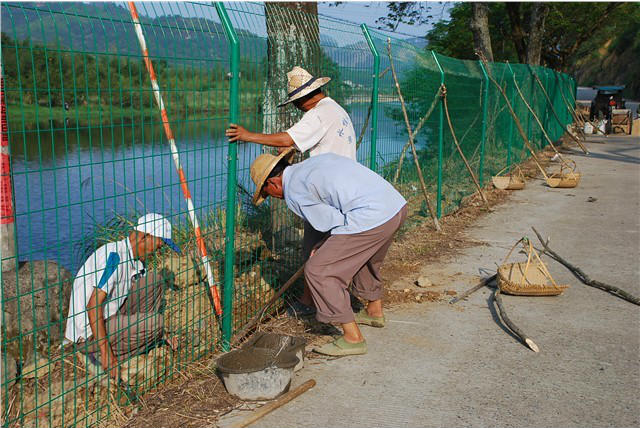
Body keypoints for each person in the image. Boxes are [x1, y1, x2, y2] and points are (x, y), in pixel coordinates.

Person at [249, 148, 407, 356]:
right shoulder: (311, 164)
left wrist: (323, 246)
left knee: (319, 271)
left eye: (268, 193)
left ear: (273, 183)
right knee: (364, 257)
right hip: (395, 206)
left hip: (370, 216)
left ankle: (352, 338)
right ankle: (374, 311)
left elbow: (334, 223)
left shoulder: (294, 190)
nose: (275, 198)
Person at [226, 66, 357, 317]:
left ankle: (317, 303)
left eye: (296, 102)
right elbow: (311, 142)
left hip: (327, 192)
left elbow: (287, 139)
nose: (297, 108)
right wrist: (295, 148)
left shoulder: (318, 114)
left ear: (304, 98)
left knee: (315, 249)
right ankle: (320, 298)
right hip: (344, 186)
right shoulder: (335, 109)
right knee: (329, 246)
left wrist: (247, 136)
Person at [64, 213, 181, 379]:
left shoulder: (136, 261)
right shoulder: (114, 257)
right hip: (88, 333)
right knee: (156, 322)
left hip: (111, 317)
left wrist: (163, 334)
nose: (160, 248)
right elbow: (93, 305)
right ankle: (103, 355)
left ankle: (144, 332)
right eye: (159, 242)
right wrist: (106, 353)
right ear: (145, 236)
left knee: (154, 281)